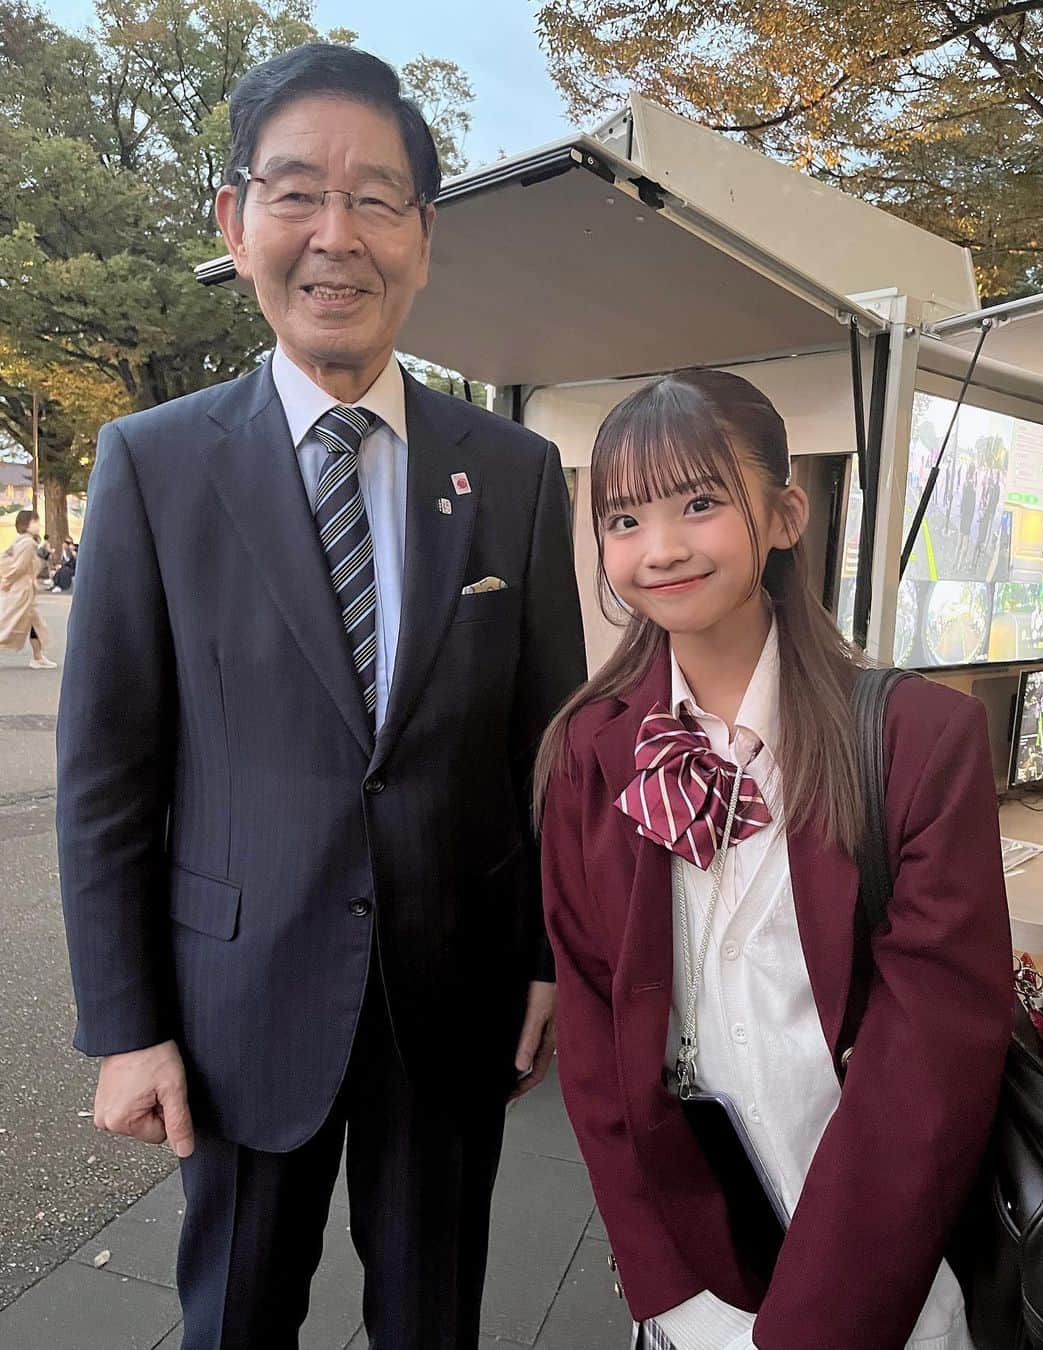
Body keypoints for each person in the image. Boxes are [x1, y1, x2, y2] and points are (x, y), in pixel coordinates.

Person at [57, 43, 585, 1350]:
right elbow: (109, 773)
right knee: (233, 1320)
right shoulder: (154, 466)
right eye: (296, 192)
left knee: (433, 1320)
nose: (334, 236)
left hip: (450, 1001)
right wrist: (127, 1028)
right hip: (236, 1004)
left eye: (377, 197)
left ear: (423, 233)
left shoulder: (512, 472)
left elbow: (548, 746)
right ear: (236, 222)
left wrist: (544, 958)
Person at [536, 369, 1013, 1350]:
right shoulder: (591, 748)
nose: (659, 548)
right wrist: (664, 1288)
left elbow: (930, 1071)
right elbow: (592, 1023)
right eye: (623, 519)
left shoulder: (922, 740)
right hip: (694, 1275)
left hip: (884, 1285)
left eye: (701, 503)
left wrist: (818, 1328)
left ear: (786, 514)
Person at [0, 510, 58, 668]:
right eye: (35, 521)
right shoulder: (28, 543)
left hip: (22, 590)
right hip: (22, 591)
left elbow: (6, 560)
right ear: (27, 524)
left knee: (33, 623)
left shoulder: (19, 541)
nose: (38, 525)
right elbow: (20, 567)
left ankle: (38, 656)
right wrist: (7, 581)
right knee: (8, 626)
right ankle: (37, 657)